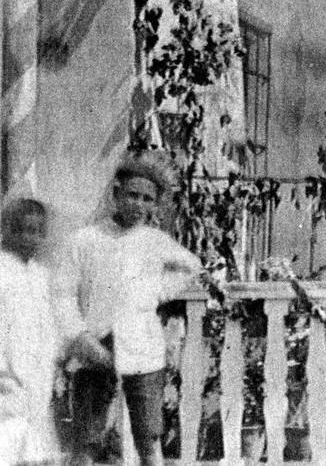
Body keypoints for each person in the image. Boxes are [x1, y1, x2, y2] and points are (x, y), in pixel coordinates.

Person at [55, 152, 203, 466]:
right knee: (87, 440)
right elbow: (63, 295)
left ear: (155, 205)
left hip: (142, 347)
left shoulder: (155, 240)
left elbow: (192, 267)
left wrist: (156, 291)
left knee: (148, 437)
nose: (138, 204)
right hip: (94, 345)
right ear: (116, 194)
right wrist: (81, 339)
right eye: (132, 195)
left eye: (147, 199)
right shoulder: (85, 240)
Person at [0, 197, 97, 466]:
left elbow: (48, 322)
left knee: (35, 440)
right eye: (21, 230)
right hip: (7, 373)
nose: (29, 238)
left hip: (37, 371)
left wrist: (57, 354)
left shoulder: (40, 275)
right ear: (5, 229)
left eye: (36, 232)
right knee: (8, 438)